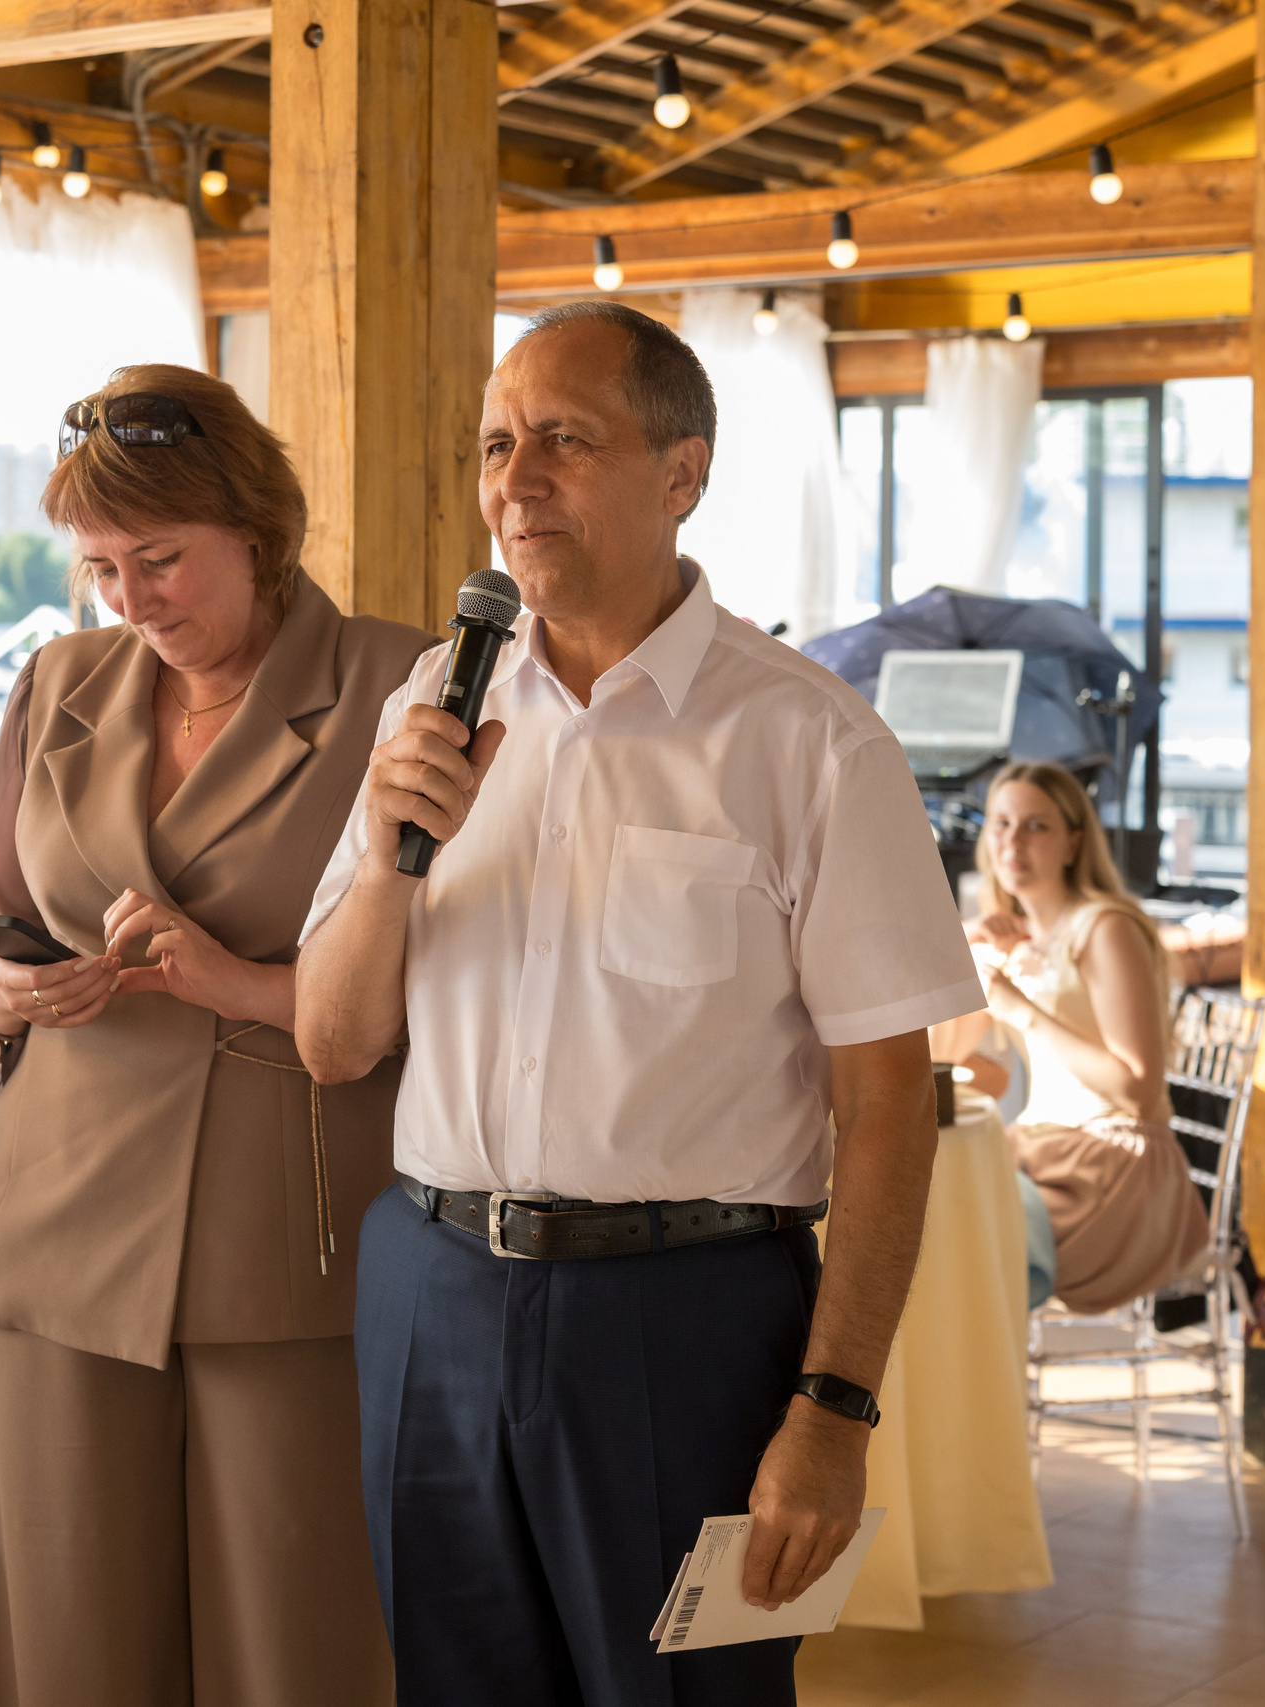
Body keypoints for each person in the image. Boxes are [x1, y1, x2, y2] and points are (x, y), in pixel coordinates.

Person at [296, 301, 982, 1706]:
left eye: (565, 437)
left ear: (683, 473)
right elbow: (335, 1038)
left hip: (689, 1318)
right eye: (497, 443)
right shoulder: (433, 701)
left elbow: (886, 1100)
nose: (516, 478)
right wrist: (386, 863)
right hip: (432, 1293)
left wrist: (834, 1407)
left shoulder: (811, 740)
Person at [0, 364, 433, 1707]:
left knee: (296, 1639)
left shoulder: (401, 678)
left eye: (162, 560)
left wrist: (247, 982)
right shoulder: (56, 681)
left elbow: (470, 982)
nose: (135, 602)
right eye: (101, 568)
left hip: (285, 1243)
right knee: (66, 1637)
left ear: (256, 535)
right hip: (54, 1229)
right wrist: (1, 994)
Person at [952, 761, 1207, 1314]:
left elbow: (1138, 1090)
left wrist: (1022, 1010)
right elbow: (937, 1058)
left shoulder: (1104, 928)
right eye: (1000, 824)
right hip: (1044, 1151)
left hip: (1116, 1164)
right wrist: (965, 943)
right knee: (927, 1213)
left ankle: (984, 1394)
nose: (1012, 841)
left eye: (1035, 826)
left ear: (1073, 842)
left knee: (956, 1241)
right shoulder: (1011, 938)